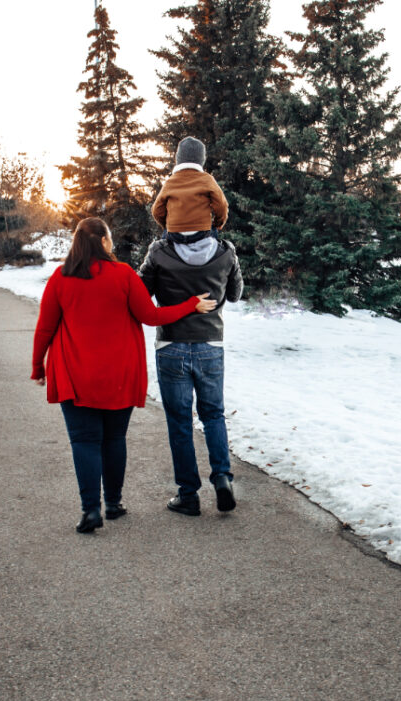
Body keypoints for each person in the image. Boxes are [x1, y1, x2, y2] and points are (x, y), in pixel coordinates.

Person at [31, 217, 216, 534]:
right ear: (104, 242)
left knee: (85, 441)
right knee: (114, 439)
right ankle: (113, 504)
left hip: (75, 374)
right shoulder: (124, 275)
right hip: (118, 373)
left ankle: (91, 511)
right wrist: (190, 305)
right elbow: (151, 316)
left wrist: (38, 366)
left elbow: (45, 327)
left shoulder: (60, 278)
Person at [140, 141, 243, 516]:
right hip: (210, 344)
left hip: (171, 346)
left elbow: (142, 291)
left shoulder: (158, 252)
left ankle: (188, 494)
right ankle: (222, 478)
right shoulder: (226, 251)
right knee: (213, 414)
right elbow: (234, 294)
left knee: (180, 422)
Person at [151, 136, 229, 259]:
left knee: (164, 245)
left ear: (179, 159)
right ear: (201, 160)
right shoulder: (207, 179)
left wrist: (167, 225)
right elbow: (221, 205)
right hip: (201, 232)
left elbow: (157, 210)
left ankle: (164, 263)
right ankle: (211, 262)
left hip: (174, 234)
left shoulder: (171, 182)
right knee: (215, 238)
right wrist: (218, 223)